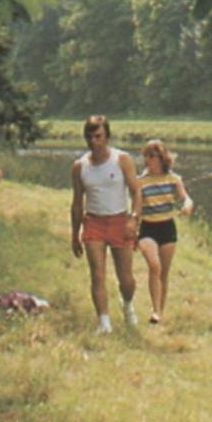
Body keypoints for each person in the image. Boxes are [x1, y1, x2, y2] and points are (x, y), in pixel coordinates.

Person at [70, 115, 142, 333]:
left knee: (126, 279)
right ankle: (104, 322)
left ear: (107, 137)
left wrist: (134, 219)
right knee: (97, 274)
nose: (94, 141)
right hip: (94, 223)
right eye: (90, 137)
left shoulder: (122, 160)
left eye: (98, 136)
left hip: (120, 221)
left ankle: (127, 304)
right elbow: (76, 202)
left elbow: (136, 191)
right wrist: (75, 234)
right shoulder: (79, 166)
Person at [135, 138, 195, 325]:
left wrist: (186, 207)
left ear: (162, 158)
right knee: (154, 265)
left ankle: (160, 310)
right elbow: (136, 208)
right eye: (146, 156)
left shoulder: (174, 179)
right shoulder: (140, 182)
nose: (148, 160)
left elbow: (187, 200)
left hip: (167, 227)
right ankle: (155, 310)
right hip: (147, 228)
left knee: (163, 273)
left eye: (152, 156)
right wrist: (132, 230)